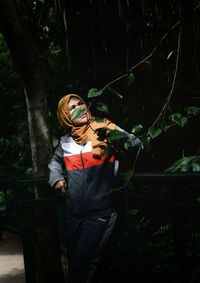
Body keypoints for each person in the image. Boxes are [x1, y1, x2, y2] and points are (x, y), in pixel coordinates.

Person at [48, 93, 143, 283]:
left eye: (80, 103)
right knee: (77, 263)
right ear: (65, 116)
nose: (78, 108)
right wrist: (57, 178)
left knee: (81, 270)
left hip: (101, 211)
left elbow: (137, 144)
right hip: (73, 213)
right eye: (72, 108)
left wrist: (115, 137)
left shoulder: (105, 126)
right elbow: (54, 162)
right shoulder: (65, 141)